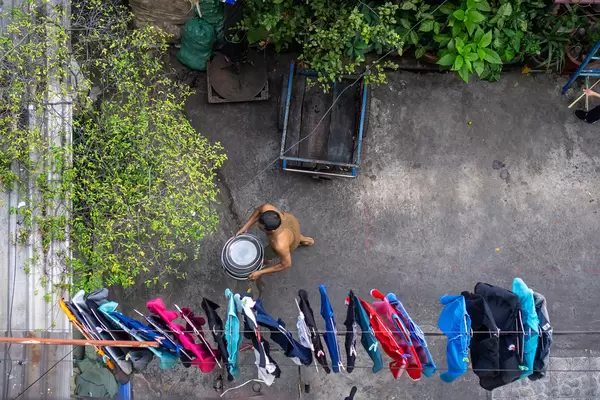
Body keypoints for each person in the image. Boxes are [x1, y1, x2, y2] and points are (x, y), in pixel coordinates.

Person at [236, 203, 314, 281]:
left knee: (267, 254)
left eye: (260, 227)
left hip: (289, 240)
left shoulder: (279, 244)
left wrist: (259, 272)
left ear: (271, 231)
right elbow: (258, 211)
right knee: (294, 235)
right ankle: (306, 240)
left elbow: (286, 264)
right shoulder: (267, 208)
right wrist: (245, 227)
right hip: (291, 222)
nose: (257, 224)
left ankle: (265, 261)